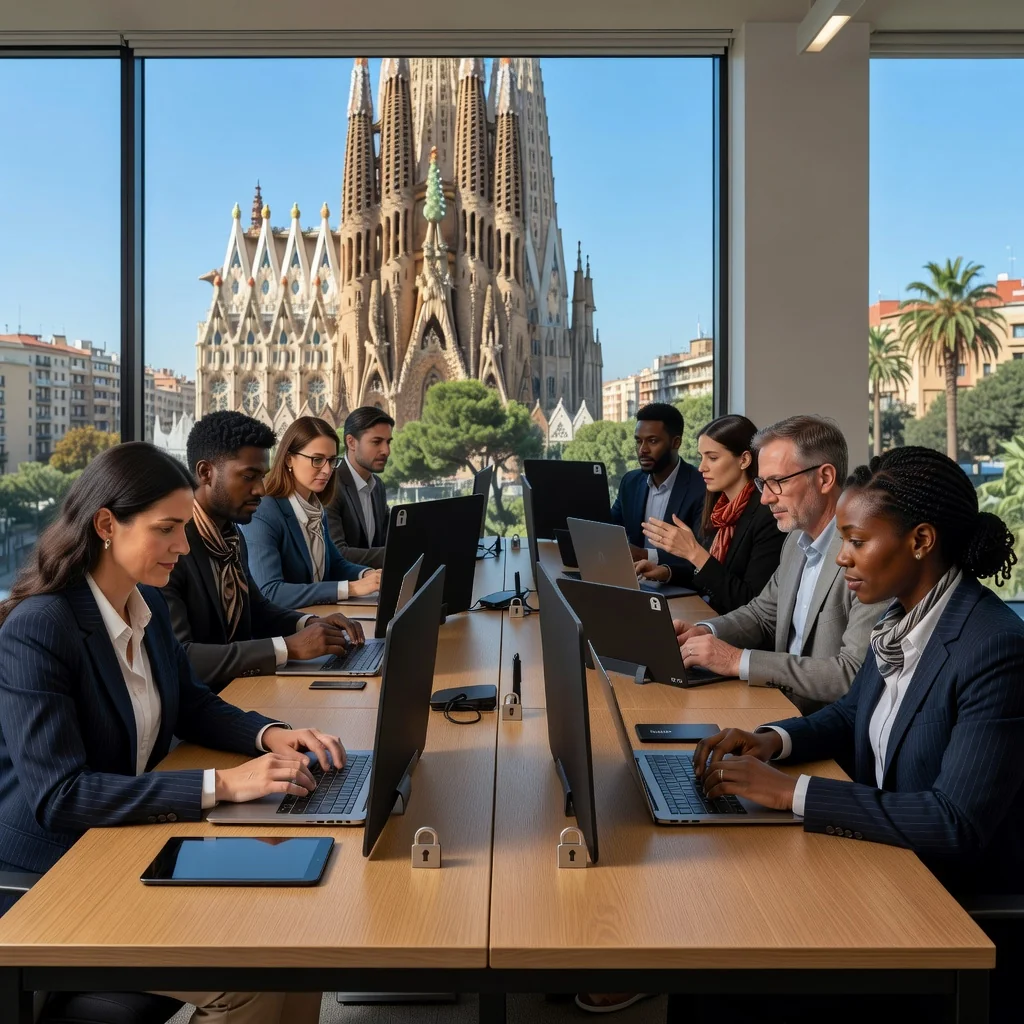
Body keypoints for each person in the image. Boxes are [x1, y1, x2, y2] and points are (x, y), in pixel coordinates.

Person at [0, 442, 339, 1024]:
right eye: (168, 529)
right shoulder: (41, 628)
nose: (183, 546)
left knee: (294, 940)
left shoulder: (143, 605)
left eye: (184, 528)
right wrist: (224, 786)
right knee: (250, 981)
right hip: (52, 871)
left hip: (121, 842)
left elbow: (192, 706)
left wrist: (270, 735)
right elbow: (61, 796)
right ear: (107, 524)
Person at [691, 447, 1022, 1020]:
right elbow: (852, 714)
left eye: (858, 541)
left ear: (921, 541)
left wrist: (788, 793)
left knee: (726, 974)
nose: (842, 559)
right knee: (718, 936)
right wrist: (774, 739)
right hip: (878, 864)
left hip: (941, 903)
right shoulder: (901, 619)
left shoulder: (992, 647)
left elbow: (954, 822)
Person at [675, 415, 885, 714]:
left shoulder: (866, 555)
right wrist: (705, 631)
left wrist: (738, 661)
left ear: (825, 478)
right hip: (777, 706)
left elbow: (852, 673)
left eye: (777, 482)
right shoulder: (795, 541)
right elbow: (763, 613)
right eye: (763, 483)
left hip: (827, 731)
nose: (765, 498)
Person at [164, 411, 366, 693]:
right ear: (205, 472)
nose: (260, 489)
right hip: (198, 711)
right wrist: (287, 648)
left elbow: (256, 610)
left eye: (262, 476)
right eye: (249, 476)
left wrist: (311, 623)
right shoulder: (172, 548)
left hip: (240, 691)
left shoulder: (231, 535)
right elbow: (181, 656)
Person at [635, 414, 785, 613]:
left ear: (744, 460)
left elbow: (750, 602)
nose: (701, 467)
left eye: (712, 458)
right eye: (701, 457)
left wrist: (693, 552)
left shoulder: (767, 515)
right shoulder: (718, 508)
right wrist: (666, 572)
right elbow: (707, 573)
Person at [241, 415, 382, 607]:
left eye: (332, 460)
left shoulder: (315, 507)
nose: (327, 470)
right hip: (284, 630)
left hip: (318, 618)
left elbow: (335, 564)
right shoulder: (264, 511)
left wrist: (367, 575)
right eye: (317, 460)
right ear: (289, 459)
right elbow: (270, 592)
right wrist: (352, 588)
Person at [610, 403, 705, 568]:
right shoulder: (630, 482)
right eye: (639, 441)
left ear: (676, 443)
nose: (642, 450)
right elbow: (609, 529)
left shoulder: (702, 487)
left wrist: (644, 555)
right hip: (633, 579)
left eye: (652, 441)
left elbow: (703, 554)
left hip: (679, 586)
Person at [325, 406, 394, 568]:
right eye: (376, 442)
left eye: (388, 442)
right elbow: (337, 553)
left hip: (375, 585)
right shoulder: (331, 485)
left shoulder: (378, 486)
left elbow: (388, 538)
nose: (386, 450)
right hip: (343, 589)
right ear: (351, 442)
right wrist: (396, 552)